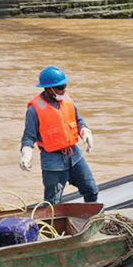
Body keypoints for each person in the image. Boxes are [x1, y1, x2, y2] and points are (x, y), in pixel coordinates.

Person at [20, 66, 99, 204]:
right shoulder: (34, 110)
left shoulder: (67, 100)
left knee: (91, 190)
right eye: (60, 87)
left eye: (64, 86)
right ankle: (52, 224)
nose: (64, 90)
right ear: (48, 89)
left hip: (74, 156)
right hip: (52, 161)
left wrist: (85, 131)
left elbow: (78, 120)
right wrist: (26, 154)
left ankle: (92, 220)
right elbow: (29, 136)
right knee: (52, 203)